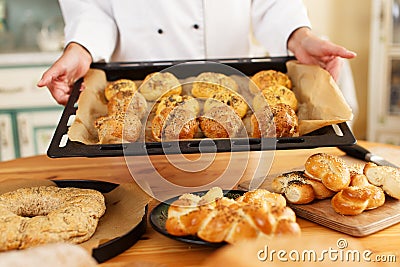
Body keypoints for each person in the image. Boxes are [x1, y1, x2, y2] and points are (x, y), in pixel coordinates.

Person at [38, 0, 356, 105]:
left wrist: (298, 37)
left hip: (234, 97)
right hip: (140, 101)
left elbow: (273, 4)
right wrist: (80, 47)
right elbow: (93, 9)